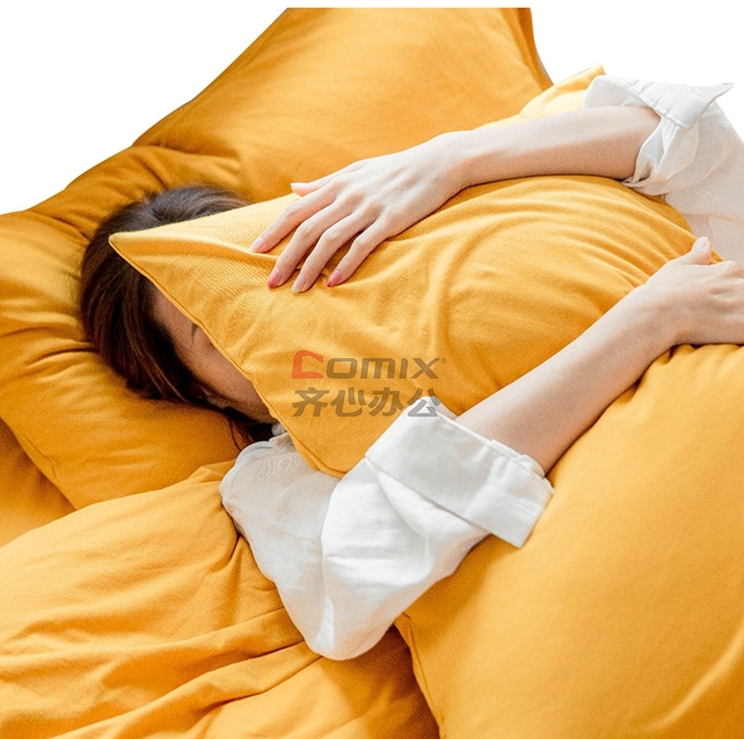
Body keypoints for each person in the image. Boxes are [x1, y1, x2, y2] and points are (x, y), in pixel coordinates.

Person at [79, 75, 744, 659]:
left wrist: (448, 159)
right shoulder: (280, 475)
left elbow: (690, 147)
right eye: (211, 327)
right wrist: (647, 322)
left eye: (258, 279)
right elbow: (360, 570)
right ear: (197, 390)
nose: (258, 317)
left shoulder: (432, 228)